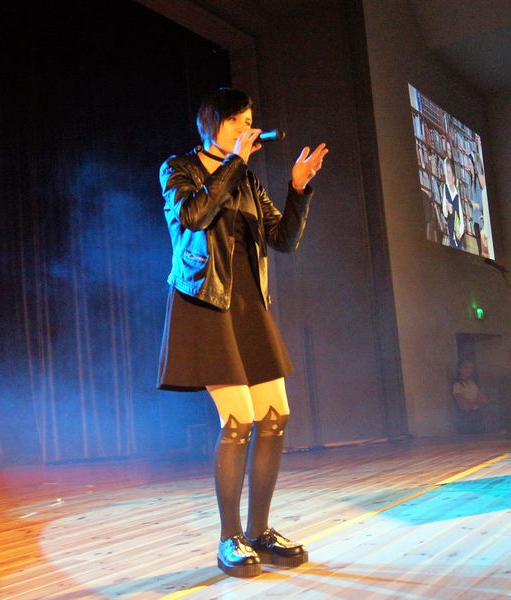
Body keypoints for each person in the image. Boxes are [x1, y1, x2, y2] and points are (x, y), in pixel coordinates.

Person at [157, 88, 328, 578]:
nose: (246, 129)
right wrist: (233, 162)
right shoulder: (178, 168)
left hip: (249, 305)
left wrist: (298, 189)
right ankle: (229, 538)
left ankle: (259, 531)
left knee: (275, 415)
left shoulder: (247, 178)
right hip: (205, 302)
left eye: (249, 121)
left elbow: (282, 238)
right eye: (236, 121)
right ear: (212, 124)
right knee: (239, 420)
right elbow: (194, 216)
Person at [452, 358, 489, 434]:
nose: (469, 370)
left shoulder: (472, 383)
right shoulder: (457, 385)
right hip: (466, 418)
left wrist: (470, 401)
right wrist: (476, 400)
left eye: (471, 367)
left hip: (477, 415)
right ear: (459, 369)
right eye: (466, 367)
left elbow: (485, 400)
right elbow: (464, 406)